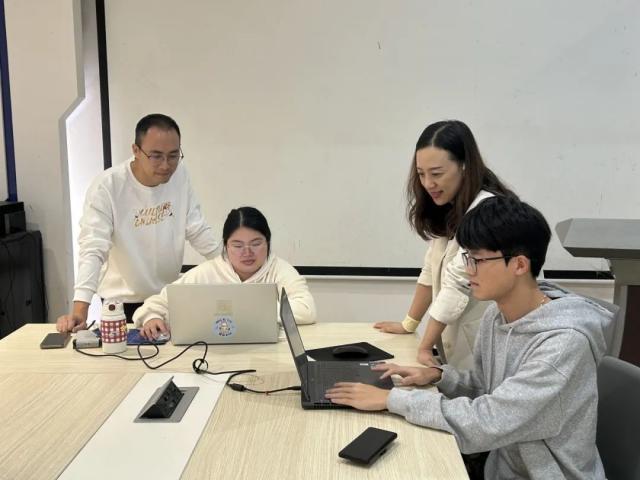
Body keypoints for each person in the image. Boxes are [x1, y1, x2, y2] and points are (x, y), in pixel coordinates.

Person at [327, 196, 612, 479]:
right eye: (468, 258)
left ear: (519, 265)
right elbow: (485, 388)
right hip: (501, 467)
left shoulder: (562, 345)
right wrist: (439, 376)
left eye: (478, 260)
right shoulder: (497, 315)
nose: (468, 270)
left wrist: (392, 399)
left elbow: (488, 422)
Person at [57, 114, 219, 332]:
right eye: (156, 156)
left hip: (164, 300)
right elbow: (93, 248)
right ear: (135, 150)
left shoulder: (179, 176)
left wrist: (232, 270)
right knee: (123, 353)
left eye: (173, 156)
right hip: (121, 303)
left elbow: (197, 230)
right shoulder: (108, 187)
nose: (166, 165)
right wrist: (80, 309)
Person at [374, 120, 515, 370]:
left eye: (437, 174)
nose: (428, 183)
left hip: (487, 351)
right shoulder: (451, 206)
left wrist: (424, 346)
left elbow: (456, 285)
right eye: (421, 174)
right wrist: (409, 324)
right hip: (459, 350)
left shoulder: (489, 211)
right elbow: (431, 269)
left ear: (464, 166)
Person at [134, 206, 316, 339]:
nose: (247, 252)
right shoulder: (209, 271)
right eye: (237, 245)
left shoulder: (280, 270)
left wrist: (243, 308)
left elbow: (307, 310)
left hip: (268, 351)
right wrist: (152, 317)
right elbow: (161, 301)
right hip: (215, 353)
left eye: (256, 244)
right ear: (226, 246)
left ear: (267, 243)